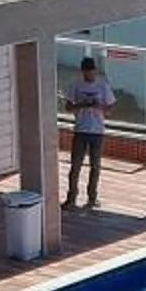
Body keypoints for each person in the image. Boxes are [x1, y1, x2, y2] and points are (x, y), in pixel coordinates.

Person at [65, 56, 111, 211]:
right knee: (75, 165)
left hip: (97, 131)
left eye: (91, 72)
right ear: (82, 72)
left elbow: (109, 109)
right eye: (86, 72)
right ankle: (71, 198)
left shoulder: (102, 86)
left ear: (95, 71)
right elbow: (68, 108)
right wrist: (82, 104)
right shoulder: (75, 86)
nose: (89, 75)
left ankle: (92, 197)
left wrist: (98, 106)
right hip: (80, 130)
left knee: (95, 166)